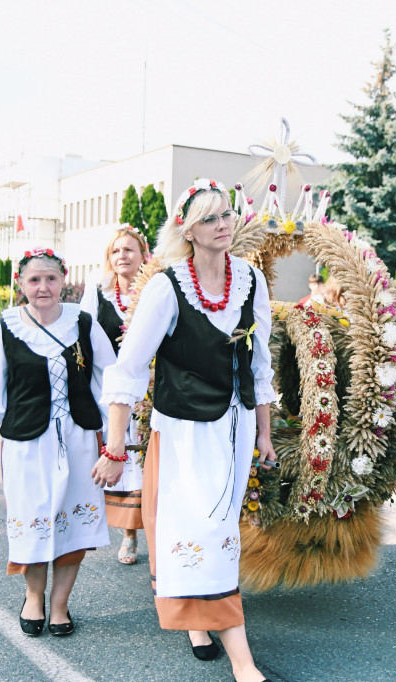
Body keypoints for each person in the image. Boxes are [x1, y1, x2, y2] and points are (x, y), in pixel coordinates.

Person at [98, 178, 276, 682]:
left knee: (217, 531)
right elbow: (128, 368)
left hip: (236, 425)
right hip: (183, 432)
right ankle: (242, 660)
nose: (223, 225)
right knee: (200, 529)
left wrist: (264, 433)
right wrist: (114, 444)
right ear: (188, 231)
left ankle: (200, 619)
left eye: (227, 215)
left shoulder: (252, 281)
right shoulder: (167, 286)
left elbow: (258, 363)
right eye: (210, 219)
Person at [0, 247, 116, 637]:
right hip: (27, 443)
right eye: (34, 280)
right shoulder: (5, 327)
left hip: (79, 437)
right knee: (33, 520)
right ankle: (34, 597)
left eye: (51, 278)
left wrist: (118, 436)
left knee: (71, 522)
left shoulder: (83, 323)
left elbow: (110, 377)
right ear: (21, 284)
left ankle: (61, 605)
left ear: (63, 281)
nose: (43, 287)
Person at [80, 225, 150, 564]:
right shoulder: (99, 294)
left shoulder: (154, 292)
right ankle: (128, 534)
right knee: (120, 455)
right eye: (116, 251)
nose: (122, 256)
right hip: (108, 391)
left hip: (148, 390)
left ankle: (143, 530)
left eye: (129, 250)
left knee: (146, 460)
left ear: (142, 256)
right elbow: (81, 338)